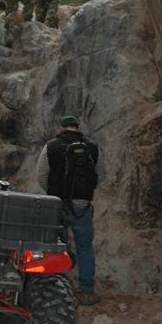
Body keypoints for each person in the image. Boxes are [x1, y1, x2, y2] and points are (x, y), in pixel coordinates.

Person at [36, 115, 100, 305]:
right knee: (85, 247)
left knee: (58, 247)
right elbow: (99, 175)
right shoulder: (92, 147)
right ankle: (87, 291)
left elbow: (41, 175)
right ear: (77, 127)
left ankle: (59, 289)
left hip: (57, 204)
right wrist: (85, 194)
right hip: (83, 205)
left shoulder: (51, 146)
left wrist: (53, 193)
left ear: (62, 128)